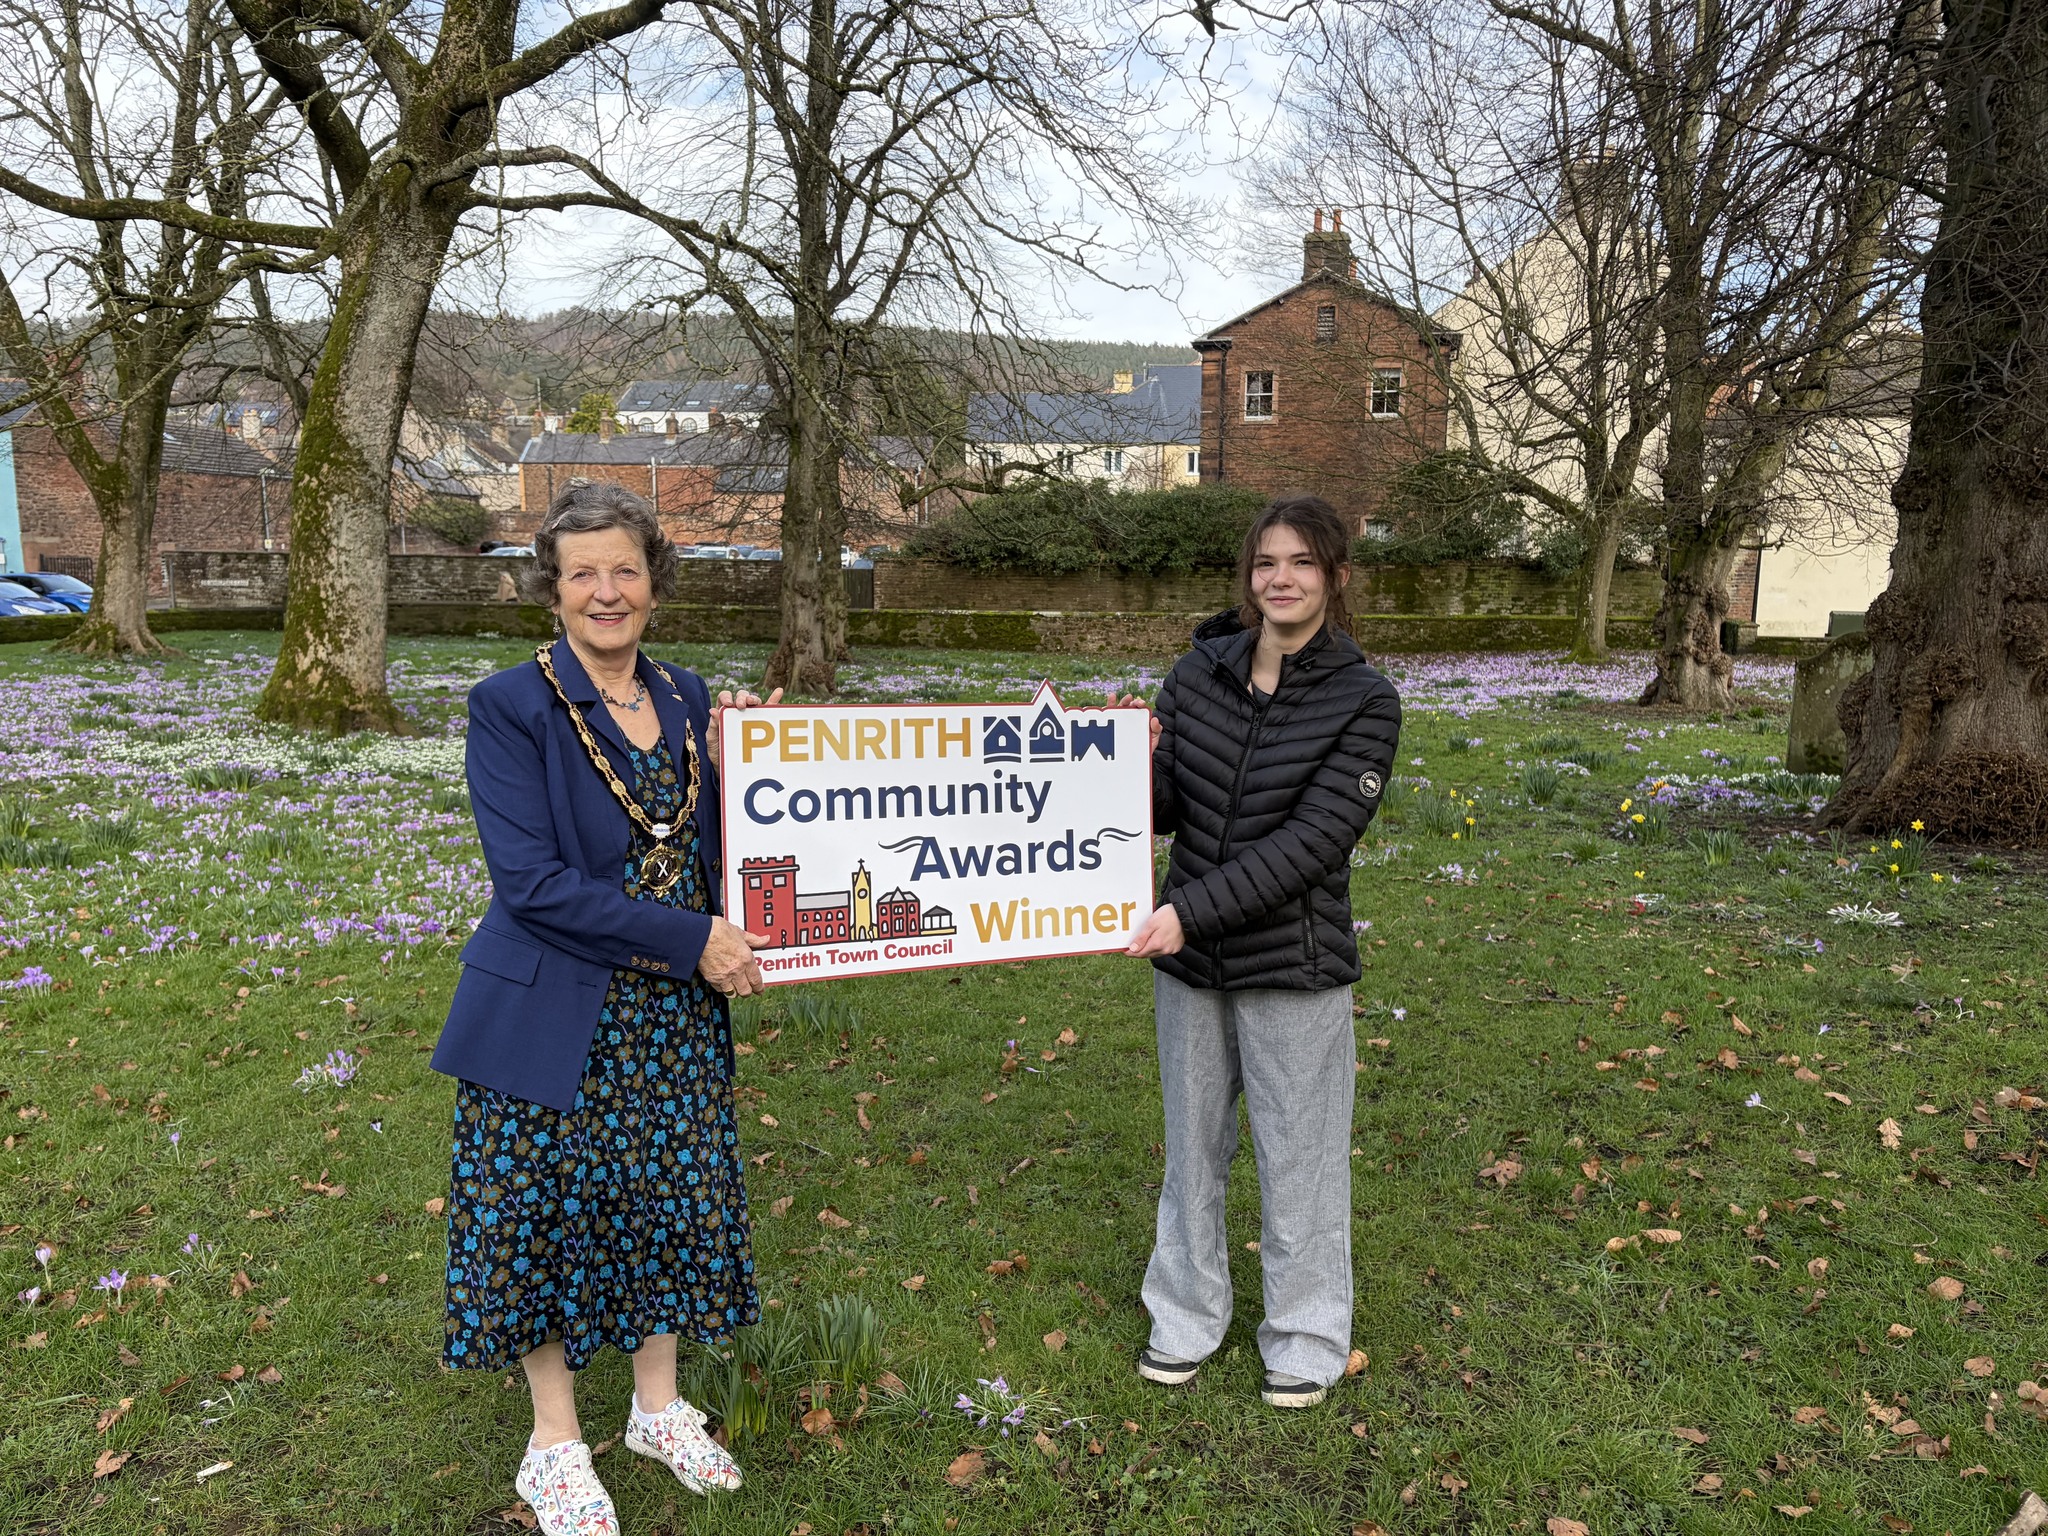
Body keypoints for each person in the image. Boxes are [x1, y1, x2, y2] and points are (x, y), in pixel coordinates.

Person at [431, 483, 778, 1535]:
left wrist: (750, 772)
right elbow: (531, 884)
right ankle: (553, 1445)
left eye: (625, 568)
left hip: (670, 1016)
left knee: (666, 1201)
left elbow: (711, 841)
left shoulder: (686, 693)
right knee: (545, 1217)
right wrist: (691, 940)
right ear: (553, 588)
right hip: (557, 1010)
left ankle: (657, 1411)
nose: (606, 591)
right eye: (582, 572)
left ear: (654, 581)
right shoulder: (511, 705)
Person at [1123, 493, 1401, 1409]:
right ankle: (1184, 1318)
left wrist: (1187, 913)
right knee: (1192, 1153)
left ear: (1337, 577)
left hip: (1293, 965)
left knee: (1301, 1160)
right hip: (1191, 969)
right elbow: (1165, 810)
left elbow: (1313, 844)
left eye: (1302, 563)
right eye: (1266, 563)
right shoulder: (1196, 673)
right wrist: (1127, 760)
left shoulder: (1365, 701)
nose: (1281, 579)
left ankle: (1305, 1339)